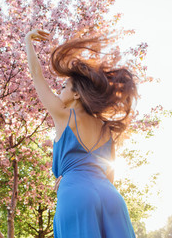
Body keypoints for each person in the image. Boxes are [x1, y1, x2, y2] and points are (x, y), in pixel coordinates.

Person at [25, 29, 137, 237]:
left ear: (76, 94)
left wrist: (27, 40)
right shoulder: (106, 129)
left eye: (64, 86)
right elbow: (109, 175)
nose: (59, 91)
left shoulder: (62, 115)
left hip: (75, 194)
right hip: (110, 196)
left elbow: (36, 74)